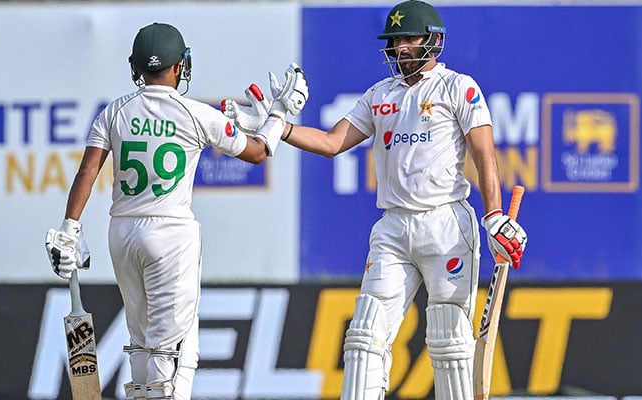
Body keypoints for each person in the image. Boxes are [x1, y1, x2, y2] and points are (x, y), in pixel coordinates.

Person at [223, 1, 527, 399]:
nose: (401, 47)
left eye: (409, 38)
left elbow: (484, 154)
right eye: (396, 40)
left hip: (446, 225)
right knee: (365, 336)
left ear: (434, 41)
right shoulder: (379, 95)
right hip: (394, 227)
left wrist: (493, 216)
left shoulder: (458, 87)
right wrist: (278, 128)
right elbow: (333, 143)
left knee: (449, 340)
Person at [44, 22, 307, 400]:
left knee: (140, 338)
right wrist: (278, 115)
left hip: (121, 233)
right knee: (175, 347)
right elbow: (258, 152)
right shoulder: (195, 113)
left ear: (136, 68)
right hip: (170, 234)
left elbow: (88, 170)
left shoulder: (114, 112)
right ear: (179, 67)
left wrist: (69, 228)